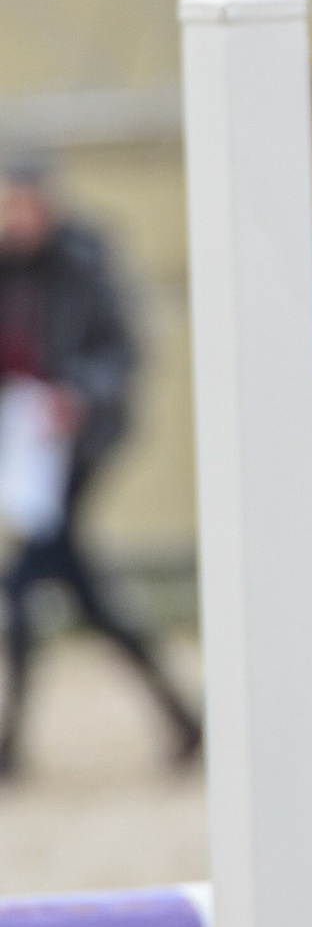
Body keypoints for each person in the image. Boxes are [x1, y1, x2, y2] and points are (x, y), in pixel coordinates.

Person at [0, 154, 200, 775]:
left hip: (73, 447)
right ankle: (184, 719)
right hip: (19, 447)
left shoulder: (85, 262)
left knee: (27, 586)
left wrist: (77, 396)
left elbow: (122, 351)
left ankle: (10, 750)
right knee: (78, 589)